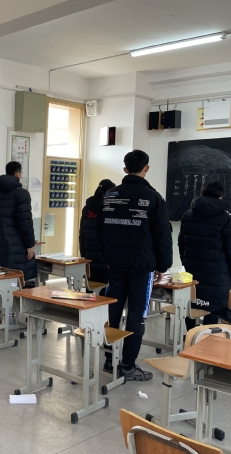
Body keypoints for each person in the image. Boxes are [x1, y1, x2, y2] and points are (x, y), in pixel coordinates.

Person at [97, 150, 172, 381]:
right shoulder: (153, 197)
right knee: (137, 315)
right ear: (146, 168)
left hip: (115, 264)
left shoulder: (109, 195)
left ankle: (109, 360)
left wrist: (107, 255)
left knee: (112, 311)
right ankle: (128, 366)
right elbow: (162, 235)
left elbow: (100, 230)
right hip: (142, 266)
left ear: (125, 169)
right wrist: (163, 266)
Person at [179, 181, 231, 329]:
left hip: (192, 271)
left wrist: (185, 262)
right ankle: (207, 338)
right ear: (220, 196)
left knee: (192, 303)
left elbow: (181, 243)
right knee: (212, 306)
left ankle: (191, 336)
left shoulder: (188, 215)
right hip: (216, 274)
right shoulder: (225, 217)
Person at [0, 161, 36, 319]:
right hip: (16, 246)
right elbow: (25, 222)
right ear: (18, 174)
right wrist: (30, 245)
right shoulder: (21, 194)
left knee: (0, 280)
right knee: (15, 280)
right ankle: (10, 315)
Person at [79, 179, 116, 284]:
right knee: (104, 290)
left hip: (89, 258)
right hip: (105, 260)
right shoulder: (109, 209)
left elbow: (82, 234)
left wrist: (83, 255)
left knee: (91, 289)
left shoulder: (87, 208)